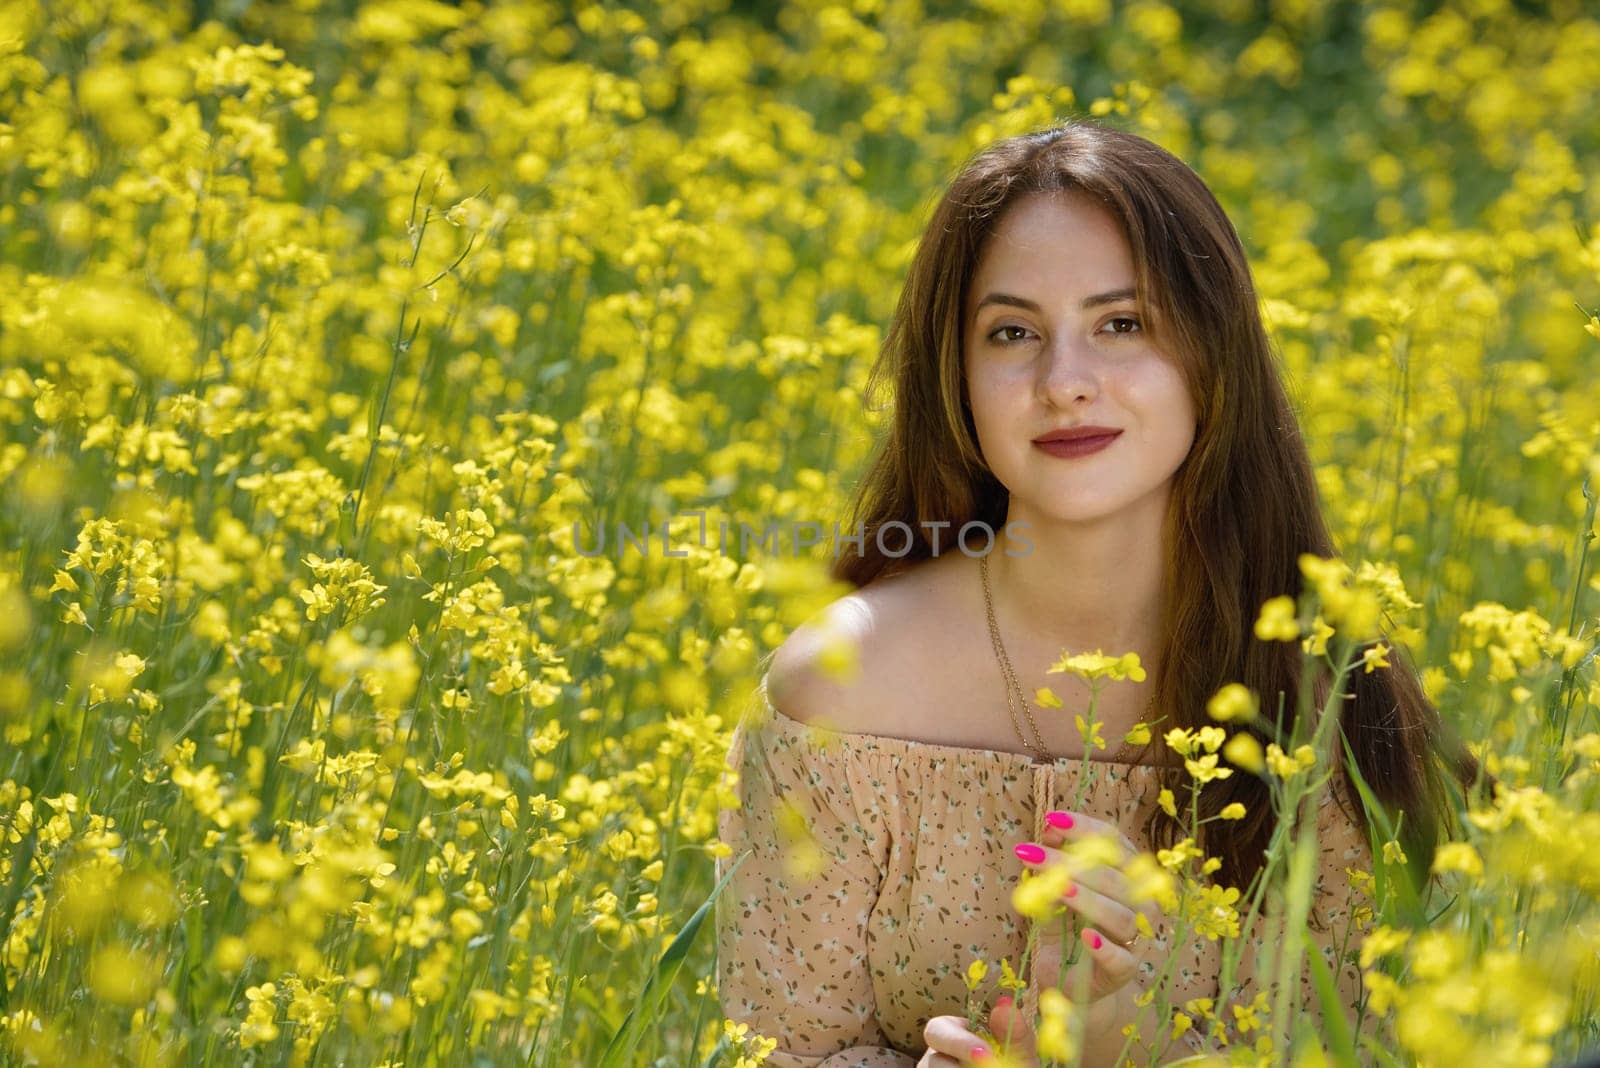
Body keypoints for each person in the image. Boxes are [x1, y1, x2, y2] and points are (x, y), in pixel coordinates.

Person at [714, 119, 1487, 1067]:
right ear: (955, 375)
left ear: (1213, 354)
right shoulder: (838, 689)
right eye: (1013, 333)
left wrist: (1127, 1046)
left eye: (1121, 324)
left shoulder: (1325, 700)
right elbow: (778, 1049)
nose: (1065, 383)